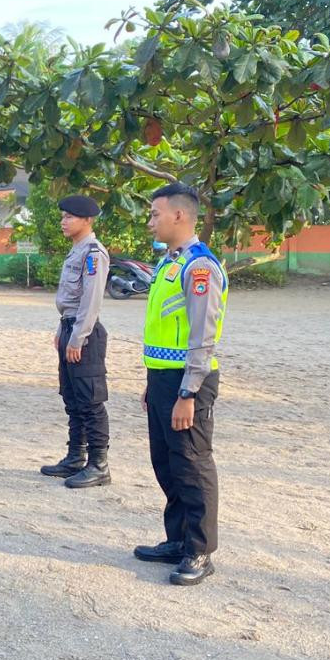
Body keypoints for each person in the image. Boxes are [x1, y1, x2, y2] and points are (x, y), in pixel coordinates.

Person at [133, 183, 227, 587]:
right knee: (167, 463)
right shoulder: (170, 263)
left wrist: (188, 393)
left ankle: (200, 550)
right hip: (163, 378)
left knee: (191, 464)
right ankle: (177, 540)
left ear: (179, 215)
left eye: (155, 214)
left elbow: (203, 336)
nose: (150, 222)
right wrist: (152, 382)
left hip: (189, 382)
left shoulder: (199, 267)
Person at [41, 195, 111, 489]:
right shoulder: (77, 251)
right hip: (70, 327)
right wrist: (63, 330)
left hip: (85, 334)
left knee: (90, 401)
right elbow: (71, 301)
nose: (63, 221)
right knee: (72, 398)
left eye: (69, 217)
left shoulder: (93, 253)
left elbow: (91, 301)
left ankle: (99, 465)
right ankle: (75, 457)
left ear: (87, 220)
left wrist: (78, 337)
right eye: (63, 216)